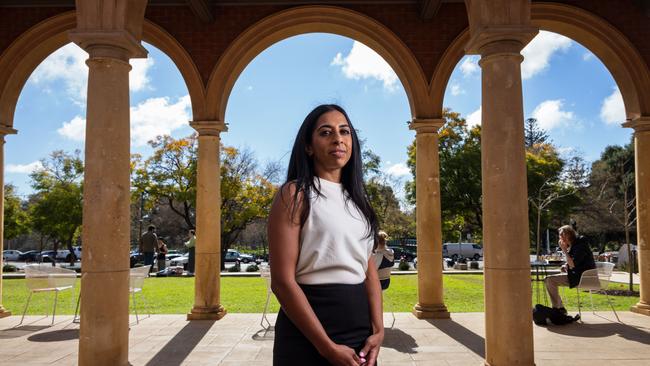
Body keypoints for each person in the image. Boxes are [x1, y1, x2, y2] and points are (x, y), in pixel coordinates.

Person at [268, 104, 384, 366]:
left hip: (359, 335)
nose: (338, 138)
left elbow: (369, 272)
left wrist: (378, 330)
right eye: (325, 132)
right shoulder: (295, 194)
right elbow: (282, 282)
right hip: (308, 335)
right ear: (308, 146)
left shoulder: (359, 202)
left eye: (344, 131)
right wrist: (327, 347)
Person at [544, 225, 596, 314]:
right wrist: (566, 265)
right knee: (549, 279)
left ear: (567, 235)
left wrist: (564, 250)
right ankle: (559, 308)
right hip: (578, 276)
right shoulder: (576, 244)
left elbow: (573, 264)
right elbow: (575, 262)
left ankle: (559, 309)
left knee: (550, 280)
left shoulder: (580, 245)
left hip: (584, 279)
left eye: (561, 236)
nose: (560, 239)